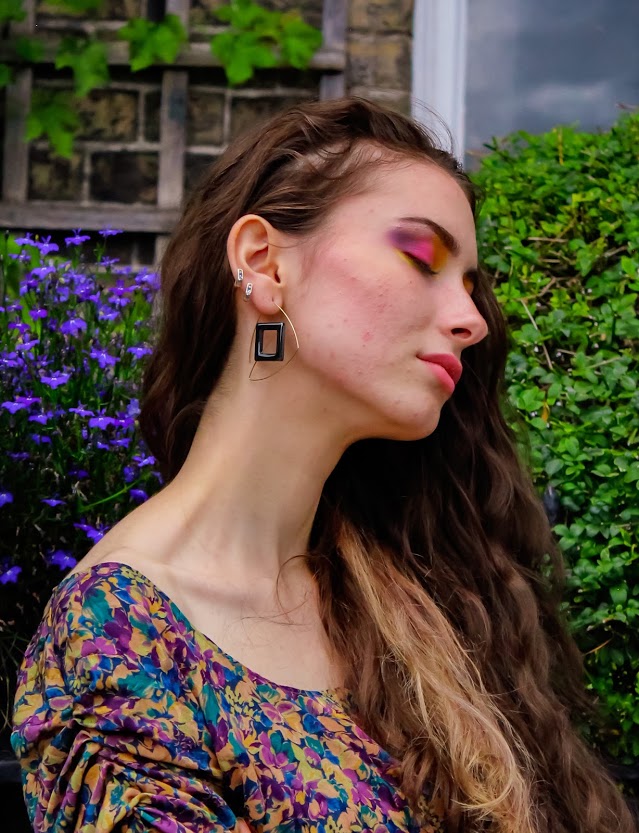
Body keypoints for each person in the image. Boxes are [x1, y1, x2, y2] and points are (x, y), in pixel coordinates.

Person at [10, 97, 636, 833]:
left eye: (469, 285)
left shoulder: (405, 591)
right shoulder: (116, 636)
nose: (470, 319)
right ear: (264, 262)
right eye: (422, 257)